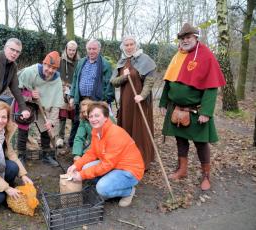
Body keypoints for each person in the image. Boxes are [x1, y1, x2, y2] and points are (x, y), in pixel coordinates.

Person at [159, 23, 226, 191]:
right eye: (182, 38)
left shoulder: (206, 56)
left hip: (196, 111)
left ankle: (206, 176)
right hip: (176, 109)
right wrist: (163, 102)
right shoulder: (177, 56)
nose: (185, 41)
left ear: (196, 37)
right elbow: (169, 81)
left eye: (188, 37)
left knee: (201, 143)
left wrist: (206, 112)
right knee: (181, 141)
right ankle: (182, 170)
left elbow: (211, 87)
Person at [67, 101, 145, 207]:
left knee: (102, 188)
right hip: (114, 165)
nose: (94, 119)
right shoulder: (96, 131)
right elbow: (92, 153)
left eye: (97, 115)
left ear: (106, 117)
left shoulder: (114, 133)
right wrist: (76, 165)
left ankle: (128, 191)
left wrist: (81, 175)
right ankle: (111, 185)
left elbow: (107, 165)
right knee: (85, 167)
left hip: (129, 170)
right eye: (91, 116)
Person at [110, 35, 157, 170]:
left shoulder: (145, 60)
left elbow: (149, 82)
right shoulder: (122, 61)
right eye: (127, 45)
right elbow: (113, 81)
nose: (129, 47)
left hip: (140, 102)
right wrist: (124, 77)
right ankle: (127, 159)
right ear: (123, 46)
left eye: (131, 44)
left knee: (140, 130)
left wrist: (142, 96)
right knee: (126, 129)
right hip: (126, 102)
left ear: (136, 45)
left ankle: (142, 161)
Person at [16, 51, 64, 166]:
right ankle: (21, 155)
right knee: (24, 125)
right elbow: (16, 91)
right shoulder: (30, 72)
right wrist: (29, 94)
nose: (50, 70)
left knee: (46, 127)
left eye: (54, 68)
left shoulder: (56, 80)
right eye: (48, 66)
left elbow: (56, 104)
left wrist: (51, 121)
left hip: (42, 105)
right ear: (43, 63)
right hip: (26, 103)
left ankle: (46, 155)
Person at [69, 38, 115, 147]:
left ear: (99, 49)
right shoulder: (81, 62)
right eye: (89, 48)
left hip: (96, 100)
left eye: (94, 48)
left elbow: (109, 84)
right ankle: (74, 146)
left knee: (93, 124)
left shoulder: (105, 65)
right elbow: (75, 79)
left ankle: (93, 147)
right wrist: (72, 96)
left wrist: (105, 100)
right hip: (81, 99)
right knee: (78, 123)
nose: (91, 51)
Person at [56, 40, 80, 148]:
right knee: (62, 115)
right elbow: (55, 75)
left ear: (76, 51)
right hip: (62, 90)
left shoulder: (79, 62)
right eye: (69, 49)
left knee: (75, 116)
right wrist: (61, 85)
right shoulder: (60, 61)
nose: (71, 52)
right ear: (66, 49)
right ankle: (60, 137)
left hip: (74, 91)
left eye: (73, 50)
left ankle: (73, 137)